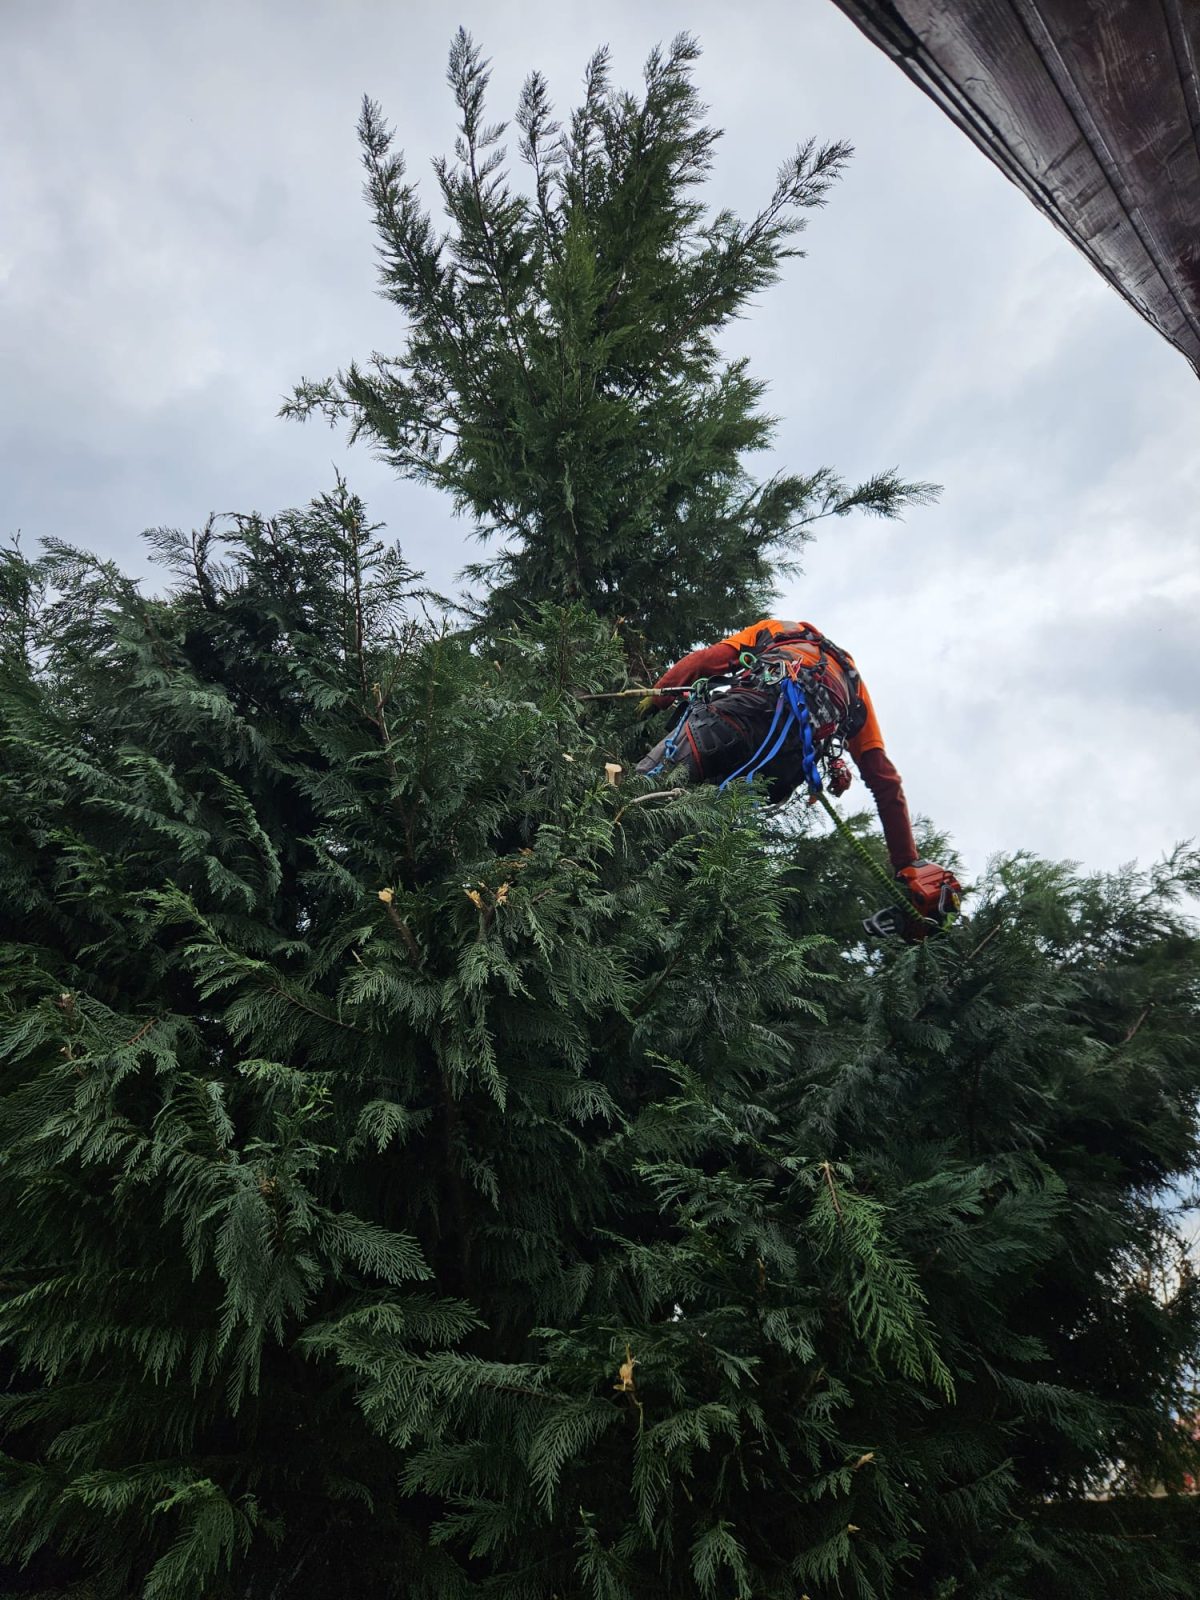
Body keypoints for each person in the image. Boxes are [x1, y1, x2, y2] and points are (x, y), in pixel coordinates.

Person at [635, 618, 960, 933]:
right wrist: (908, 863)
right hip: (781, 772)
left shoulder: (777, 629)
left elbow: (705, 661)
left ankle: (629, 805)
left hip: (738, 719)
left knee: (645, 787)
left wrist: (657, 697)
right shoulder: (854, 685)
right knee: (710, 821)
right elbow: (884, 780)